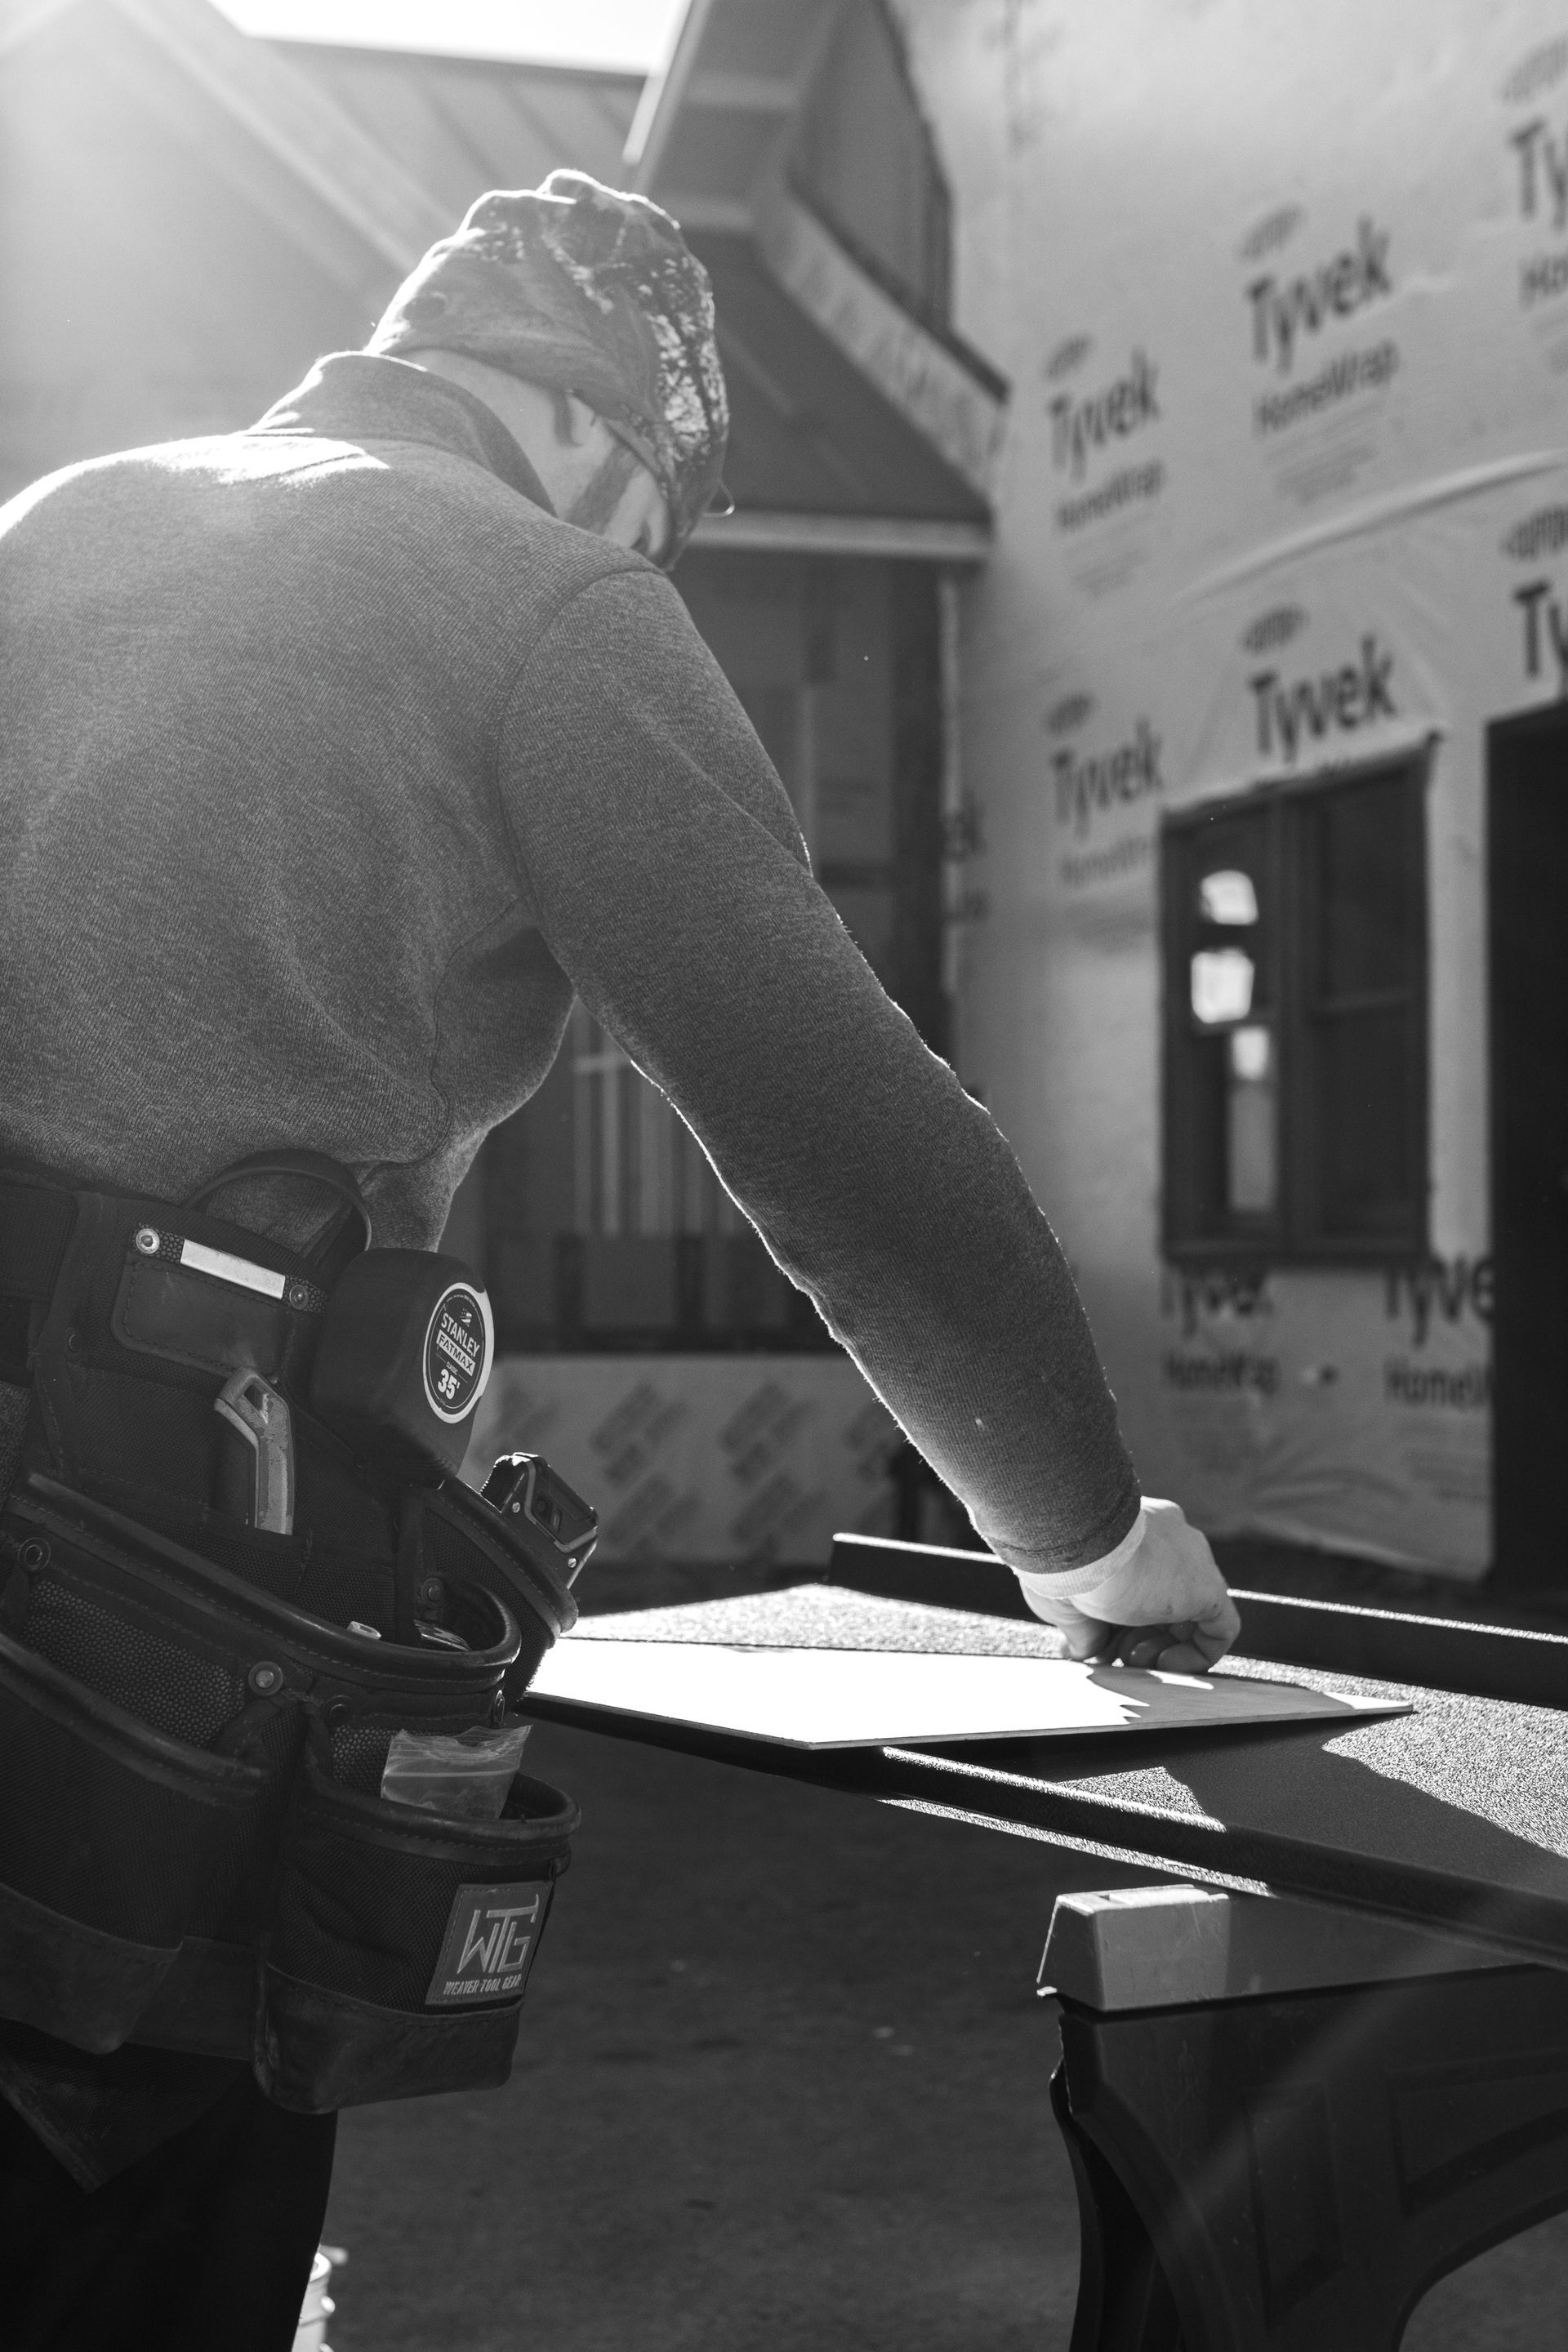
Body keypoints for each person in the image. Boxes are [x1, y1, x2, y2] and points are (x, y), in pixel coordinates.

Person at [0, 171, 1237, 2347]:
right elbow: (842, 1142)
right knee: (130, 2221)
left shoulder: (54, 526)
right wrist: (1087, 1530)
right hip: (137, 1602)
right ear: (601, 433)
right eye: (661, 520)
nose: (646, 566)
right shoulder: (529, 593)